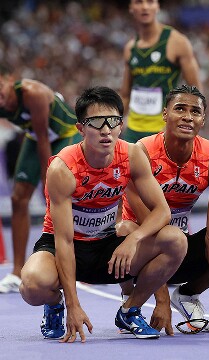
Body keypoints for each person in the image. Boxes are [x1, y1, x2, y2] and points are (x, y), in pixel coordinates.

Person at [18, 86, 187, 342]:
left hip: (106, 247)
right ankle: (55, 304)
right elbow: (64, 241)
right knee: (31, 285)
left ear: (121, 125)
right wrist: (74, 306)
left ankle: (130, 310)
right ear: (81, 128)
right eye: (97, 123)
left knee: (176, 240)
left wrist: (134, 239)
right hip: (64, 245)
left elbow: (162, 211)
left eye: (113, 121)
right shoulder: (63, 169)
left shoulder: (131, 155)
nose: (106, 130)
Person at [117, 85, 209, 335]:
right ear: (165, 114)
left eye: (195, 111)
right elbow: (148, 228)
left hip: (180, 247)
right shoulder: (140, 154)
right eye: (180, 109)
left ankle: (188, 293)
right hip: (139, 250)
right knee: (124, 229)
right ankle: (132, 299)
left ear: (203, 119)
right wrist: (161, 302)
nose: (187, 116)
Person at [0, 73, 82, 294]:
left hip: (64, 135)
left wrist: (48, 180)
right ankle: (16, 272)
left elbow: (44, 138)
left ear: (10, 79)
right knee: (18, 198)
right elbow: (38, 136)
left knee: (65, 197)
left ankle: (78, 266)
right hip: (35, 136)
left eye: (1, 89)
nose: (1, 98)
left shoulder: (32, 93)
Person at [120, 0, 201, 143]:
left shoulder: (177, 42)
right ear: (131, 7)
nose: (145, 7)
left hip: (163, 129)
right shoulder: (130, 48)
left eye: (150, 2)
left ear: (157, 6)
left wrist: (182, 126)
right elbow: (125, 95)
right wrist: (115, 123)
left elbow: (196, 92)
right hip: (133, 131)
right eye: (139, 2)